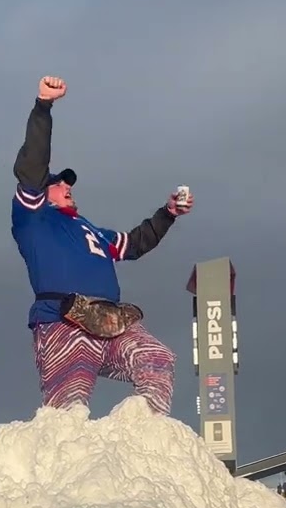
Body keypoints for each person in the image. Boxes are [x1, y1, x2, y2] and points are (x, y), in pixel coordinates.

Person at [10, 76, 189, 414]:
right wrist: (43, 108)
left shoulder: (90, 228)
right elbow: (32, 167)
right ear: (42, 193)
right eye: (59, 183)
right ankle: (68, 455)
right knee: (70, 410)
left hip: (110, 319)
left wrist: (168, 214)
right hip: (62, 321)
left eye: (69, 183)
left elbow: (134, 244)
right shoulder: (34, 220)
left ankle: (144, 431)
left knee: (156, 357)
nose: (67, 186)